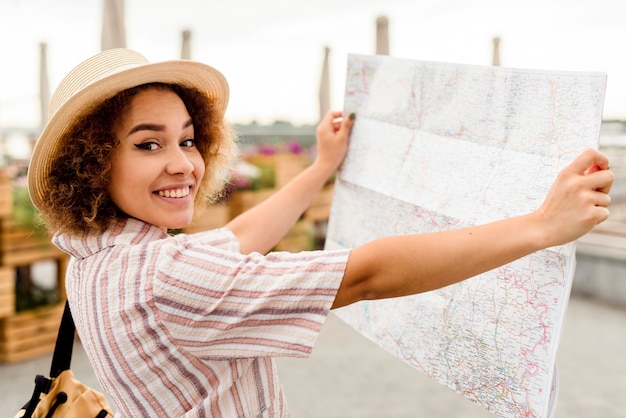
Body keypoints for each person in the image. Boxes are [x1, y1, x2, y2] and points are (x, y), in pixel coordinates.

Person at [27, 48, 614, 417]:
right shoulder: (164, 278)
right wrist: (542, 225)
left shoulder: (98, 257)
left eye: (187, 139)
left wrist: (321, 166)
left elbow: (241, 236)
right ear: (92, 163)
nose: (183, 162)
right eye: (148, 144)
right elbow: (365, 273)